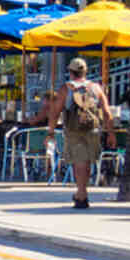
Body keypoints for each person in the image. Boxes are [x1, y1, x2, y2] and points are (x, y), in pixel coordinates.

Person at [51, 58, 118, 209]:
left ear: (70, 72)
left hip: (73, 130)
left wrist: (50, 131)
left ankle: (81, 194)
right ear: (85, 72)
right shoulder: (96, 88)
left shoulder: (66, 89)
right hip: (93, 129)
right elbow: (107, 112)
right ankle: (82, 192)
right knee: (86, 163)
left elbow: (55, 112)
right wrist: (111, 133)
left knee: (79, 163)